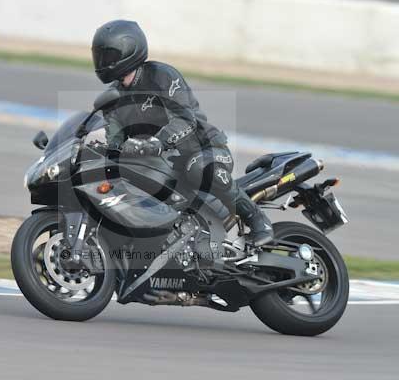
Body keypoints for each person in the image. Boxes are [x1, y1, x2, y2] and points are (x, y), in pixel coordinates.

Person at [91, 19, 273, 247]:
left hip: (204, 150)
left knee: (198, 168)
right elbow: (115, 140)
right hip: (164, 164)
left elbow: (186, 119)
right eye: (100, 56)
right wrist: (100, 150)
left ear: (128, 49)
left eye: (108, 55)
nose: (103, 61)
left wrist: (157, 143)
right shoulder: (112, 100)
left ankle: (257, 220)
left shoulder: (162, 76)